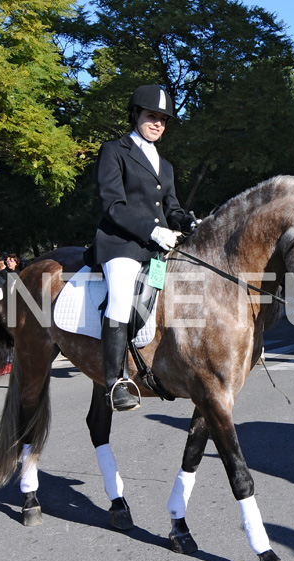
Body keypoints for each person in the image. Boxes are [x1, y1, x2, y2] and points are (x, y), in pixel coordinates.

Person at [86, 84, 195, 411]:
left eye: (163, 119)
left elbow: (172, 209)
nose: (158, 123)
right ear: (135, 115)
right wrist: (153, 230)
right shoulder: (114, 150)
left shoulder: (165, 165)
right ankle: (115, 380)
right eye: (152, 116)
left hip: (155, 251)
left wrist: (188, 223)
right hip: (120, 245)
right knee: (121, 297)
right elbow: (114, 205)